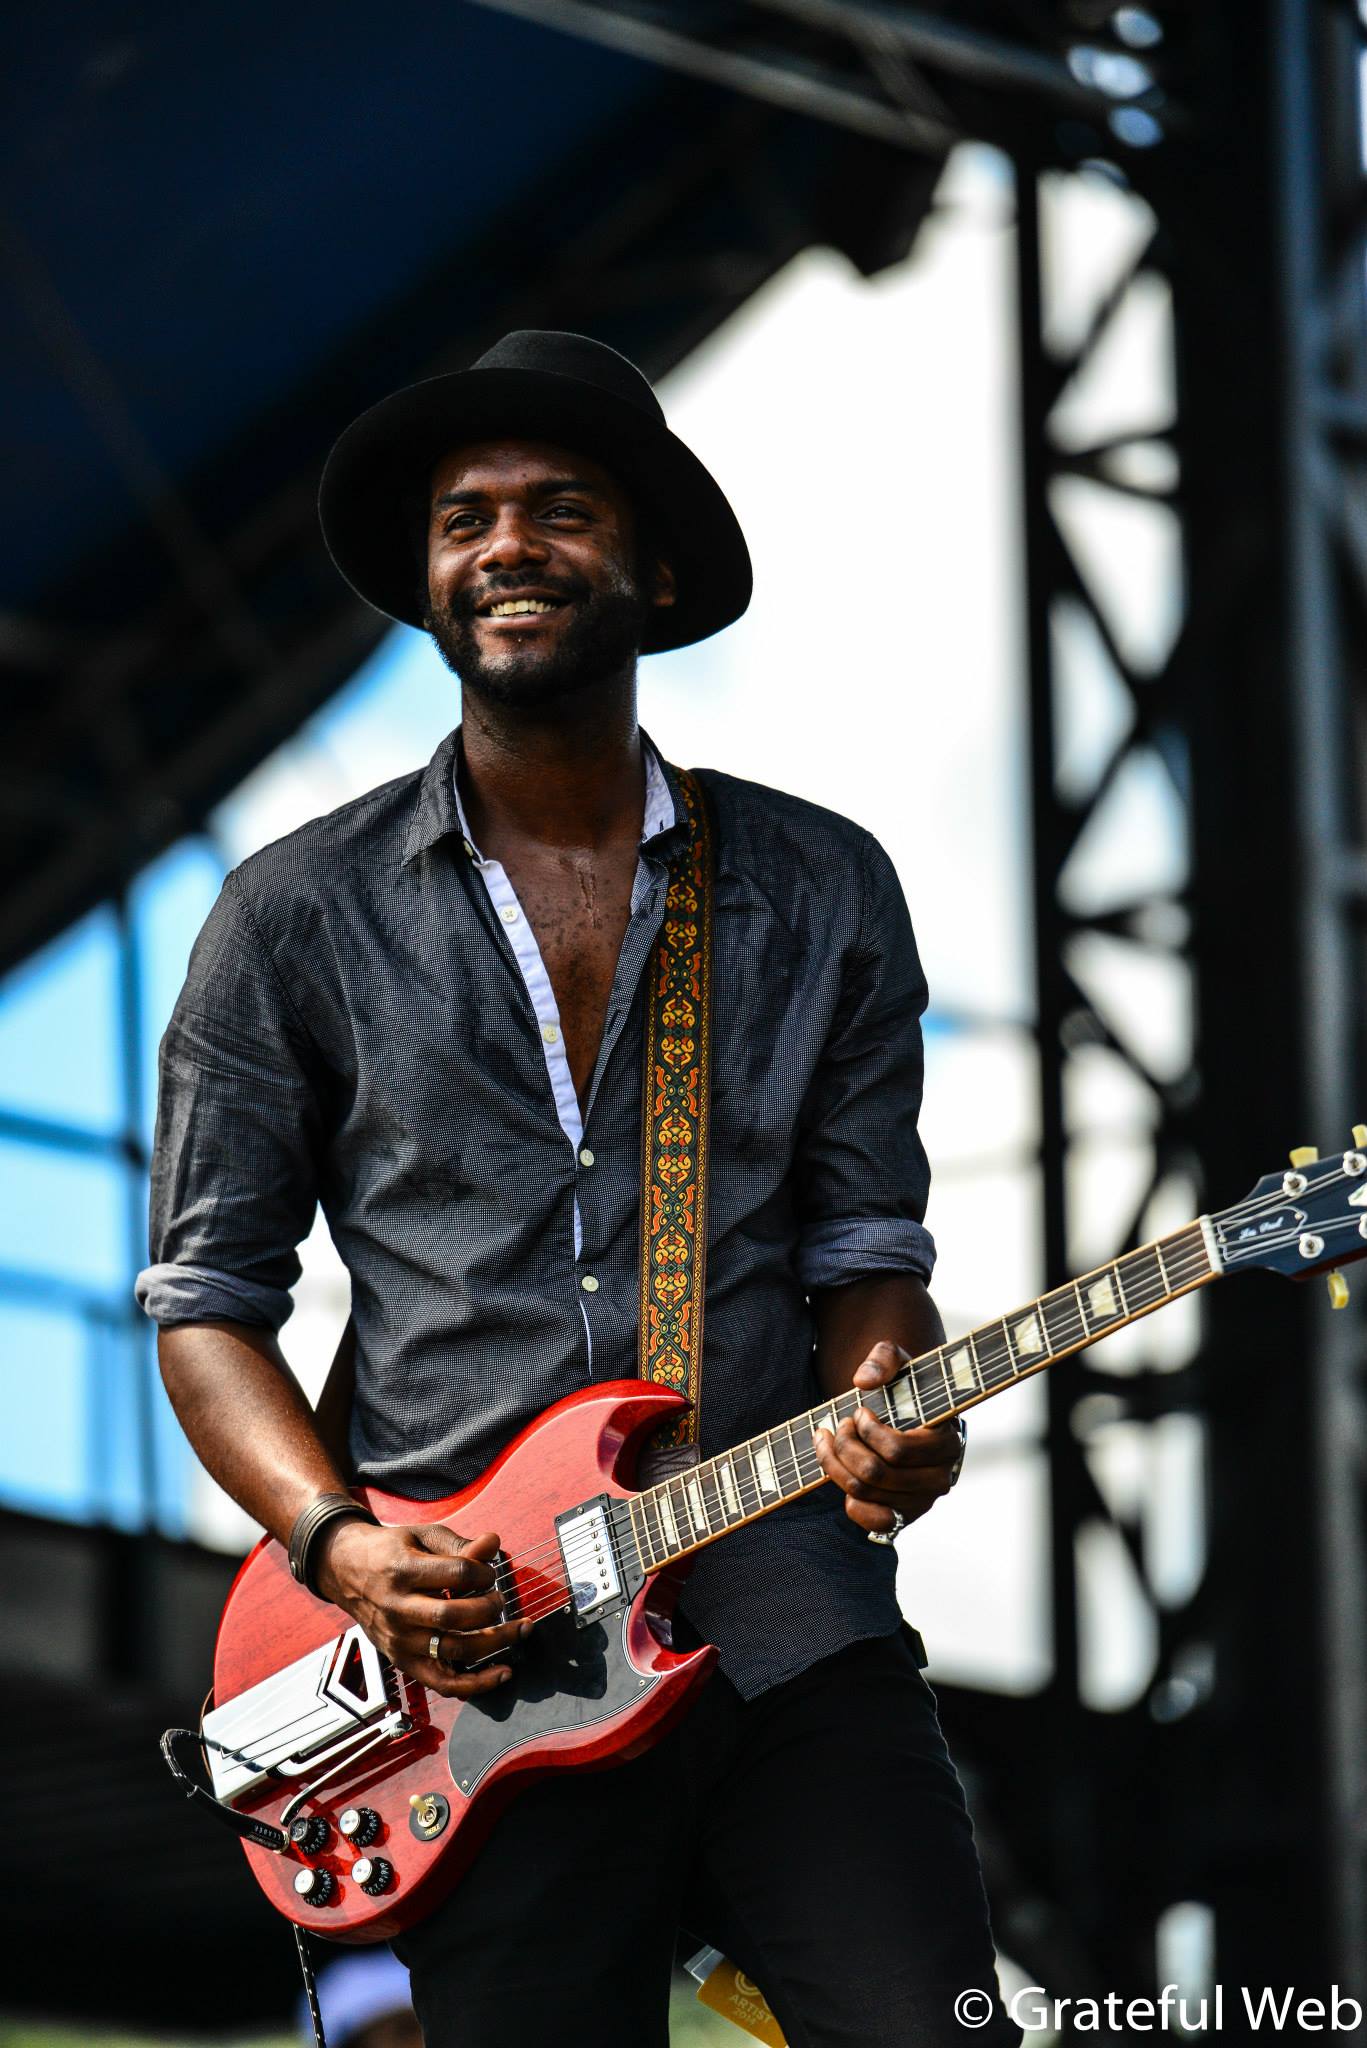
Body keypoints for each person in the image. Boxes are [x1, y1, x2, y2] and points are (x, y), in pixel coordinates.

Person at [138, 329, 1019, 2046]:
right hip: (473, 1662)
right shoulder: (293, 915)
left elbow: (863, 1252)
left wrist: (884, 1396)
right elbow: (205, 1305)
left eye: (562, 510)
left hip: (780, 1609)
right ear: (427, 579)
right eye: (466, 520)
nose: (508, 547)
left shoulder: (823, 885)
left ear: (656, 565)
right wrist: (340, 1543)